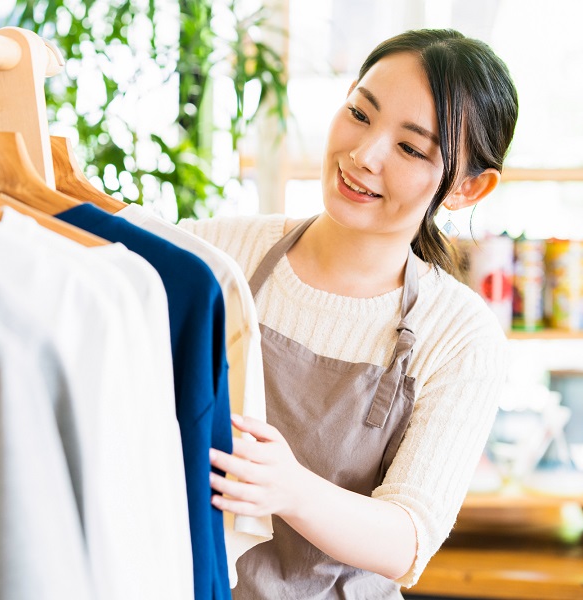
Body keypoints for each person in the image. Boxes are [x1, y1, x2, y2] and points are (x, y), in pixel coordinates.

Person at [178, 29, 518, 598]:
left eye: (411, 148)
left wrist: (289, 488)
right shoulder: (214, 253)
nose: (363, 156)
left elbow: (408, 541)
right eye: (360, 113)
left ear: (468, 187)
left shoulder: (460, 335)